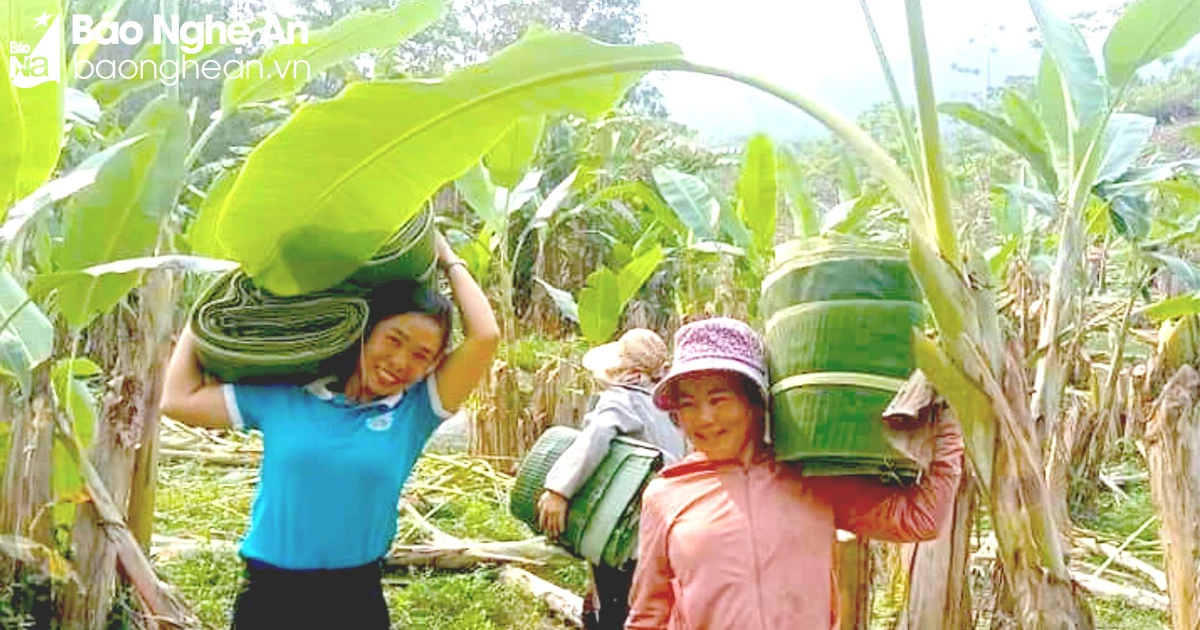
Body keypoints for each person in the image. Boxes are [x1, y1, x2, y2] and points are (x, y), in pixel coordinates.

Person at [160, 233, 499, 630]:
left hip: (354, 600)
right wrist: (204, 316)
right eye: (394, 340)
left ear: (431, 366)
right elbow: (177, 399)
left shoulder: (417, 411)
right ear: (365, 332)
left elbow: (485, 336)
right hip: (270, 598)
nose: (400, 361)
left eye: (421, 355)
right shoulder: (286, 397)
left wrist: (448, 258)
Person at [625, 317, 964, 630]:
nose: (705, 418)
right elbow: (648, 615)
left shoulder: (808, 475)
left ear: (755, 403)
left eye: (719, 398)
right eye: (688, 404)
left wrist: (946, 421)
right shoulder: (667, 494)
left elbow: (920, 518)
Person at [536, 328, 687, 630]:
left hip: (624, 529)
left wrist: (558, 490)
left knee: (614, 604)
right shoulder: (671, 411)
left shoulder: (621, 400)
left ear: (631, 372)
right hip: (665, 530)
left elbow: (593, 441)